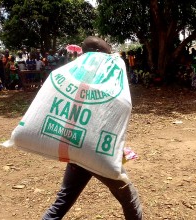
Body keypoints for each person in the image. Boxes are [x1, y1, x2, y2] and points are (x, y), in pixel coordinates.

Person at [42, 36, 143, 220]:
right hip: (98, 152)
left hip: (75, 148)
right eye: (107, 54)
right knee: (130, 199)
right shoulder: (105, 80)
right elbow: (117, 109)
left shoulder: (73, 76)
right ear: (98, 56)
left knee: (62, 201)